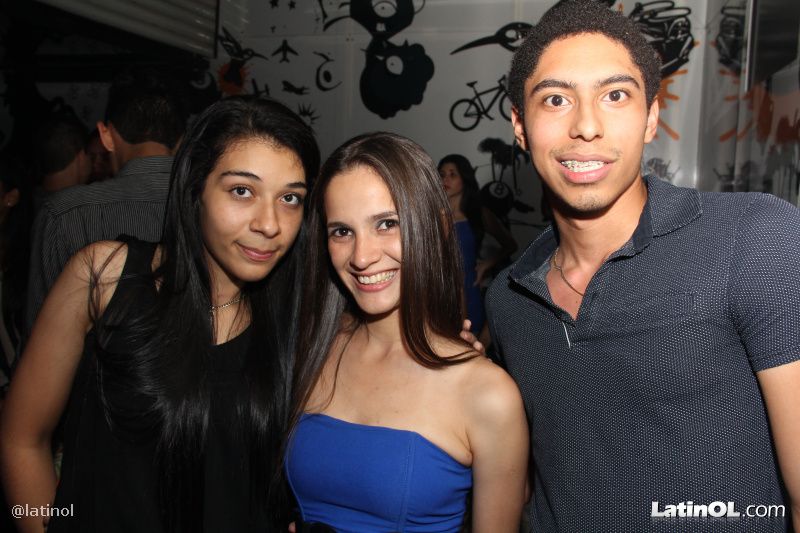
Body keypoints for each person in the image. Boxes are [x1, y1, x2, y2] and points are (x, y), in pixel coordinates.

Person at [486, 1, 800, 532]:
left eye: (615, 95)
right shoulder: (508, 298)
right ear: (520, 125)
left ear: (651, 116)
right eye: (556, 99)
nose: (587, 126)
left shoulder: (754, 238)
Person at [0, 95, 320, 533]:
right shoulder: (105, 278)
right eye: (242, 191)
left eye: (290, 198)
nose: (270, 223)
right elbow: (21, 438)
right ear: (195, 188)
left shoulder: (298, 318)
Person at [285, 132, 528, 532]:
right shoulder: (313, 349)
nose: (362, 257)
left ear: (435, 227)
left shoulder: (487, 394)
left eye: (387, 224)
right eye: (342, 231)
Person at [25, 68, 186, 335]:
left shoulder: (65, 212)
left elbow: (39, 334)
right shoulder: (213, 206)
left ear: (106, 135)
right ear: (181, 141)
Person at [438, 154, 516, 336]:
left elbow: (511, 245)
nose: (445, 180)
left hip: (469, 288)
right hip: (440, 290)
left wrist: (486, 265)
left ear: (464, 179)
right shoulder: (432, 215)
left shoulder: (479, 214)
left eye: (452, 174)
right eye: (442, 174)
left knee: (470, 342)